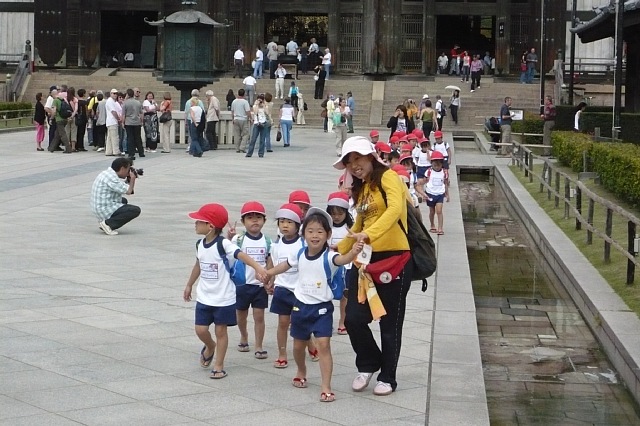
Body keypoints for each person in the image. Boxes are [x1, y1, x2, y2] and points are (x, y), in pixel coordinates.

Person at [334, 136, 413, 396]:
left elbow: (394, 210)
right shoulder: (363, 188)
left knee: (390, 324)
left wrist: (369, 235)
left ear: (370, 156)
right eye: (349, 162)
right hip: (366, 262)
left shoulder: (389, 177)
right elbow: (358, 225)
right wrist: (336, 249)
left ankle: (388, 377)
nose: (354, 166)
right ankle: (369, 362)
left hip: (395, 258)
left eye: (357, 158)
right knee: (354, 318)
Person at [266, 207, 364, 403]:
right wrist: (268, 273)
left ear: (328, 234)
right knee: (298, 346)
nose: (315, 235)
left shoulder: (329, 256)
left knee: (324, 346)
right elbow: (284, 265)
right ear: (304, 234)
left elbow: (342, 259)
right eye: (310, 231)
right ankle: (301, 370)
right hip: (300, 307)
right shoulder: (300, 254)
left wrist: (354, 251)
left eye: (320, 231)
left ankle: (326, 386)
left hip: (322, 309)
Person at [183, 203, 268, 379]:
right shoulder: (200, 244)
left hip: (224, 298)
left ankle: (219, 366)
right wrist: (190, 284)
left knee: (221, 331)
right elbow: (198, 265)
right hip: (205, 296)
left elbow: (241, 255)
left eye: (199, 221)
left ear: (210, 226)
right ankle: (210, 346)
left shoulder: (224, 244)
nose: (195, 224)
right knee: (200, 329)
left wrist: (258, 268)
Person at [265, 203, 319, 369]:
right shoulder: (276, 245)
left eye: (289, 222)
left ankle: (310, 344)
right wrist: (270, 280)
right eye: (282, 221)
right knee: (283, 322)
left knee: (300, 322)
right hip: (282, 289)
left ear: (298, 225)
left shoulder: (303, 244)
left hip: (299, 291)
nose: (285, 225)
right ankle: (282, 354)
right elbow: (273, 263)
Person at [230, 201, 272, 359]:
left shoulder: (268, 241)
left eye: (258, 217)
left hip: (259, 286)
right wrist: (229, 237)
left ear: (264, 221)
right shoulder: (238, 240)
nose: (255, 221)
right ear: (243, 221)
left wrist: (269, 279)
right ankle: (244, 336)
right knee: (240, 314)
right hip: (242, 284)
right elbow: (229, 255)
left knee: (259, 316)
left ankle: (259, 345)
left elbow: (270, 261)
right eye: (250, 218)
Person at [326, 191, 354, 336]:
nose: (336, 217)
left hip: (347, 266)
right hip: (328, 266)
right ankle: (327, 322)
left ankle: (342, 322)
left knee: (345, 295)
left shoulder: (351, 228)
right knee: (326, 295)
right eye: (333, 214)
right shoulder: (325, 227)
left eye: (340, 213)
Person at [90, 157, 141, 235]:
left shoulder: (108, 173)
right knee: (135, 210)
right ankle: (108, 224)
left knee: (123, 201)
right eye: (128, 169)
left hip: (99, 206)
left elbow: (121, 188)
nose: (128, 172)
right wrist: (132, 179)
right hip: (102, 209)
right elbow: (129, 191)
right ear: (122, 168)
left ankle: (106, 222)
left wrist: (128, 179)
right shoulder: (112, 178)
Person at [425, 151, 449, 235]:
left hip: (440, 194)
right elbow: (425, 181)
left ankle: (440, 228)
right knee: (432, 211)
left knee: (439, 211)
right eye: (434, 165)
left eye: (438, 165)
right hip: (430, 193)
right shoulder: (429, 171)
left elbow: (446, 183)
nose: (437, 167)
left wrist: (447, 194)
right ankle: (432, 225)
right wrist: (424, 194)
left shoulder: (444, 172)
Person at [122, 88, 144, 160]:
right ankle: (141, 152)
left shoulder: (125, 103)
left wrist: (123, 122)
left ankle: (131, 153)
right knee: (138, 137)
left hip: (128, 122)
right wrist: (141, 121)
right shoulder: (138, 102)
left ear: (127, 94)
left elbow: (123, 114)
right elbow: (141, 113)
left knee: (130, 138)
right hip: (137, 121)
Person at [231, 89, 251, 153]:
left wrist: (233, 118)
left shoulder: (234, 101)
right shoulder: (245, 102)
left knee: (237, 135)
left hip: (236, 118)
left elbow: (232, 111)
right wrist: (250, 118)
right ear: (244, 94)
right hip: (243, 119)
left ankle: (237, 148)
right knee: (245, 134)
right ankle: (242, 147)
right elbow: (247, 111)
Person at [104, 88, 122, 156]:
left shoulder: (111, 101)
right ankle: (116, 151)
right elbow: (113, 111)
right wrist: (118, 119)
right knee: (115, 137)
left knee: (110, 138)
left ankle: (109, 151)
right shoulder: (110, 101)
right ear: (111, 94)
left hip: (110, 122)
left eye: (116, 93)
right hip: (112, 121)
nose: (115, 95)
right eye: (114, 93)